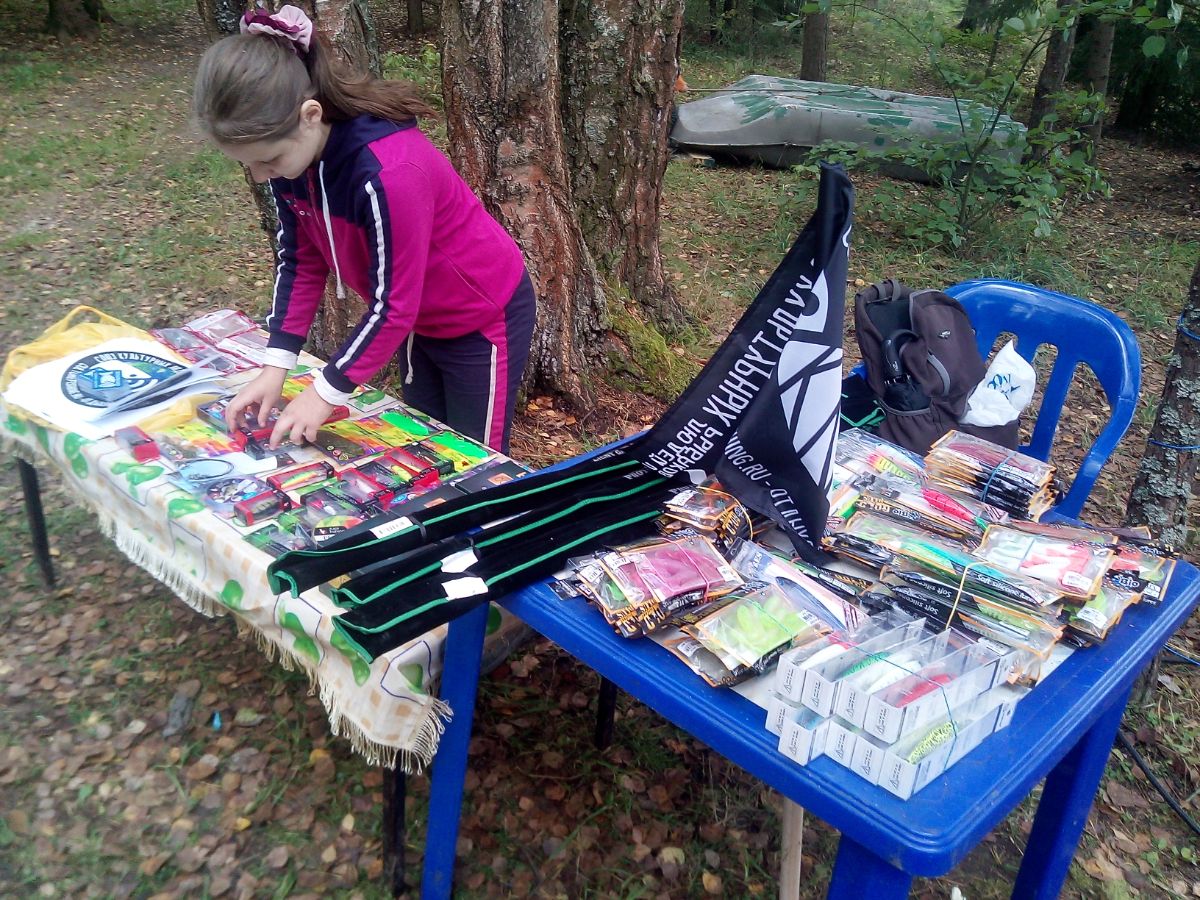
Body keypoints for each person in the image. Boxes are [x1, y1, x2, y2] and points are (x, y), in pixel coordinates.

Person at [192, 5, 535, 453]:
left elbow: (394, 305)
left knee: (475, 460)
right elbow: (300, 261)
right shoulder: (292, 164)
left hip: (481, 316)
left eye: (268, 160)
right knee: (427, 444)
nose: (261, 175)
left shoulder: (390, 173)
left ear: (310, 115)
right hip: (419, 319)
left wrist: (325, 392)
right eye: (250, 164)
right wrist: (276, 364)